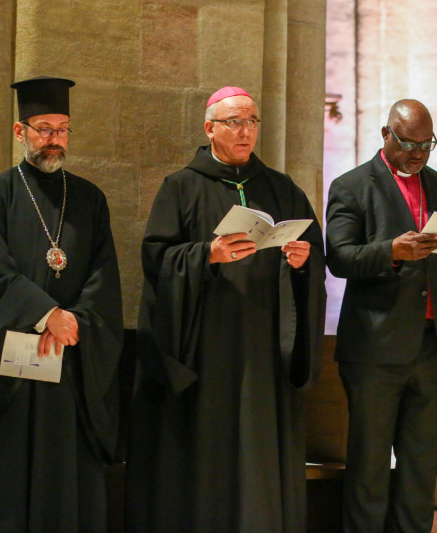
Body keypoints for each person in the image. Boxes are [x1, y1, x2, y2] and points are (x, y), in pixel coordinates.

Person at [125, 86, 326, 533]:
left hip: (264, 348)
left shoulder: (281, 188)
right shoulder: (181, 187)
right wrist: (207, 254)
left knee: (258, 449)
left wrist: (302, 262)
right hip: (207, 350)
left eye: (252, 121)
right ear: (209, 128)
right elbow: (157, 260)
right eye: (234, 122)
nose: (245, 131)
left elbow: (315, 256)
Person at [0, 76, 124, 532]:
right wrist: (47, 314)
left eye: (62, 130)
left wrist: (75, 321)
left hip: (68, 363)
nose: (54, 140)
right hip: (8, 372)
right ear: (20, 131)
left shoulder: (89, 198)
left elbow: (104, 275)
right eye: (44, 129)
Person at [326, 99, 437, 533]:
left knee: (421, 468)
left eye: (426, 145)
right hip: (375, 348)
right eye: (408, 144)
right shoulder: (352, 186)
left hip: (433, 346)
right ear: (386, 134)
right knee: (369, 467)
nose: (418, 154)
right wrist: (392, 251)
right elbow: (339, 257)